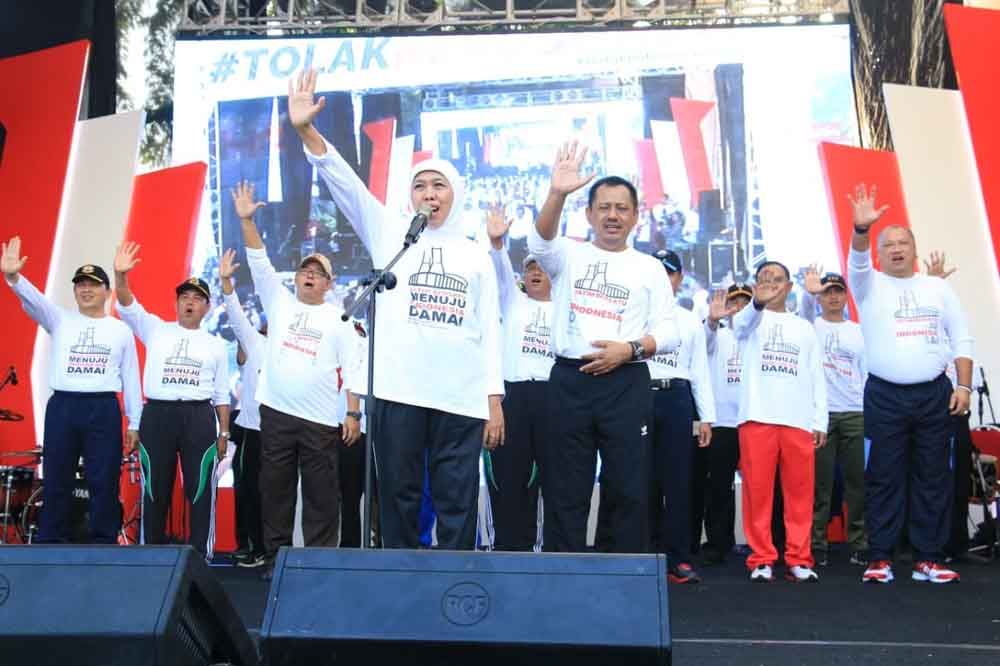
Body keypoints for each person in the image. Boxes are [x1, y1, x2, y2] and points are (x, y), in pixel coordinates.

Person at [289, 69, 504, 550]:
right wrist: (306, 130)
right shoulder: (390, 233)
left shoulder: (475, 255)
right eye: (422, 186)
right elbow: (343, 182)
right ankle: (401, 584)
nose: (430, 194)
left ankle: (452, 590)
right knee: (399, 497)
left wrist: (492, 399)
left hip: (458, 397)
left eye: (439, 186)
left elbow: (488, 330)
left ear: (456, 193)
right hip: (398, 390)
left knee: (456, 500)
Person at [528, 141, 679, 554]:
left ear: (635, 216)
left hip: (626, 383)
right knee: (565, 488)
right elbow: (539, 244)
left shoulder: (649, 267)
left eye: (622, 208)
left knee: (629, 488)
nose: (613, 215)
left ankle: (622, 580)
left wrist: (629, 349)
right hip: (569, 383)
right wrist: (557, 192)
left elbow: (670, 331)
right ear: (589, 213)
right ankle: (564, 579)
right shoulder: (568, 256)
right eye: (604, 207)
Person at [847, 185, 973, 584]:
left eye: (903, 242)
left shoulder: (937, 287)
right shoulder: (868, 286)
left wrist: (964, 387)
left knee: (932, 476)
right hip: (884, 395)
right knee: (883, 475)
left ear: (914, 249)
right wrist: (862, 229)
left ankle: (928, 559)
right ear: (880, 252)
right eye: (888, 243)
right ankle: (880, 557)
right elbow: (858, 260)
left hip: (933, 393)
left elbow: (962, 338)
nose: (896, 248)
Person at [232, 182, 358, 575]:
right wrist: (247, 220)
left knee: (322, 494)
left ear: (329, 284)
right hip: (277, 414)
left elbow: (352, 368)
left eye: (318, 273)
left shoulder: (340, 319)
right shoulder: (279, 302)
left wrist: (352, 413)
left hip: (321, 419)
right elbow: (258, 260)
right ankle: (276, 557)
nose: (309, 275)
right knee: (276, 489)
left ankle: (318, 561)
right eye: (305, 269)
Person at [2, 237, 141, 544]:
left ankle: (104, 539)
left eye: (92, 284)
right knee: (56, 476)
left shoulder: (119, 330)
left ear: (107, 292)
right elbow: (35, 299)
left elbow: (131, 378)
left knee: (103, 478)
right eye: (80, 284)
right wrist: (13, 278)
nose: (85, 289)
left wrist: (135, 423)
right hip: (63, 407)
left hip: (102, 408)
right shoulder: (59, 319)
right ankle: (51, 539)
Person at [113, 241, 230, 554]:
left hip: (198, 417)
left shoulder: (215, 344)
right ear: (177, 303)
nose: (189, 303)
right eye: (184, 297)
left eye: (197, 299)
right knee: (156, 489)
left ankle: (200, 556)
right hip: (158, 416)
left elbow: (221, 394)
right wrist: (120, 275)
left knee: (200, 489)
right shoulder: (155, 329)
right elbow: (126, 304)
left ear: (207, 307)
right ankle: (151, 553)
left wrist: (224, 432)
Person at [733, 261, 827, 583]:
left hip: (797, 419)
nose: (770, 284)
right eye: (763, 279)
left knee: (800, 495)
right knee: (757, 494)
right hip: (757, 416)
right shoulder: (747, 319)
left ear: (788, 287)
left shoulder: (804, 327)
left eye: (777, 280)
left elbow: (817, 375)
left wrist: (820, 420)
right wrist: (756, 301)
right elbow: (742, 325)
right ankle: (761, 558)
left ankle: (799, 557)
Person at [485, 203, 554, 551]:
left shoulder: (566, 307)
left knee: (555, 485)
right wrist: (498, 244)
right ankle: (511, 552)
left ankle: (552, 558)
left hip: (554, 401)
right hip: (514, 398)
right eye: (529, 268)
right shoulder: (513, 301)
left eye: (542, 266)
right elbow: (500, 272)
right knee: (511, 483)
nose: (535, 272)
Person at [644, 249, 715, 581]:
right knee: (640, 480)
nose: (663, 278)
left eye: (669, 273)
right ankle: (642, 555)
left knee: (678, 481)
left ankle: (679, 558)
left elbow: (699, 370)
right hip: (638, 396)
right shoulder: (634, 313)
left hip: (677, 397)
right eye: (657, 271)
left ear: (679, 278)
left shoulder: (688, 319)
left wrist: (707, 417)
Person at [799, 268, 868, 567]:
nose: (833, 297)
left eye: (837, 291)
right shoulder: (810, 326)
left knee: (856, 482)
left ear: (845, 295)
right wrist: (809, 291)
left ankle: (858, 542)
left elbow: (866, 372)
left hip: (854, 411)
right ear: (820, 297)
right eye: (827, 292)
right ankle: (817, 543)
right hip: (821, 415)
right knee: (820, 484)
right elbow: (801, 311)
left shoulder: (857, 330)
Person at [696, 285, 752, 565]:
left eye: (746, 303)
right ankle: (719, 543)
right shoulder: (718, 334)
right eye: (735, 302)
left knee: (760, 488)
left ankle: (763, 544)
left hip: (755, 421)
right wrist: (713, 320)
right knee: (719, 487)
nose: (739, 307)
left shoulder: (759, 336)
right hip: (723, 424)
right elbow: (704, 342)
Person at [218, 249, 268, 567]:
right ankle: (249, 545)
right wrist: (226, 283)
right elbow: (236, 318)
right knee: (247, 489)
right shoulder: (255, 342)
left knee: (276, 495)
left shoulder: (303, 346)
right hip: (252, 428)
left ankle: (272, 549)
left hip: (286, 431)